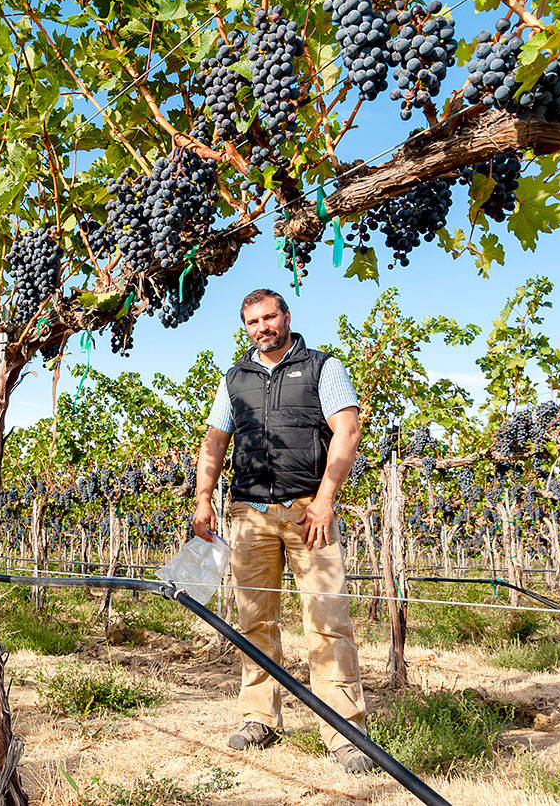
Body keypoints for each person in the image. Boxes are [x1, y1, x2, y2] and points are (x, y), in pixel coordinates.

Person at [191, 288, 373, 773]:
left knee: (328, 620)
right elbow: (215, 440)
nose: (261, 328)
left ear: (286, 316)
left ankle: (344, 731)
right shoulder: (234, 379)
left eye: (269, 317)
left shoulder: (322, 368)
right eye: (252, 322)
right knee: (253, 621)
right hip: (248, 514)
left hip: (306, 512)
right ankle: (259, 718)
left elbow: (347, 430)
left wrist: (325, 500)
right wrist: (203, 498)